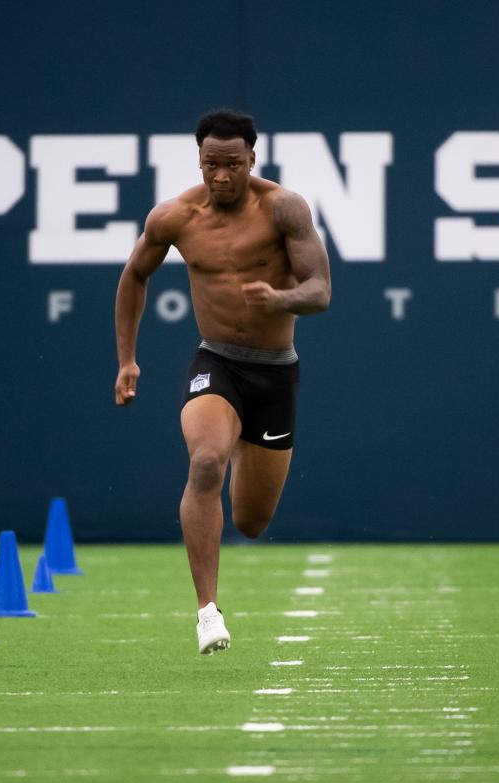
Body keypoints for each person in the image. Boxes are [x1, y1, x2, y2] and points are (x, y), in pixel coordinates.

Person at [114, 109, 332, 654]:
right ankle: (207, 612)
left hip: (275, 371)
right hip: (217, 361)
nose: (221, 176)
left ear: (252, 159)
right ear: (200, 161)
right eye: (211, 164)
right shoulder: (175, 216)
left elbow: (321, 290)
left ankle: (241, 443)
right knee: (205, 460)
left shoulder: (284, 207)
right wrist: (127, 360)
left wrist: (279, 298)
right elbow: (134, 276)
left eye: (232, 164)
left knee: (253, 521)